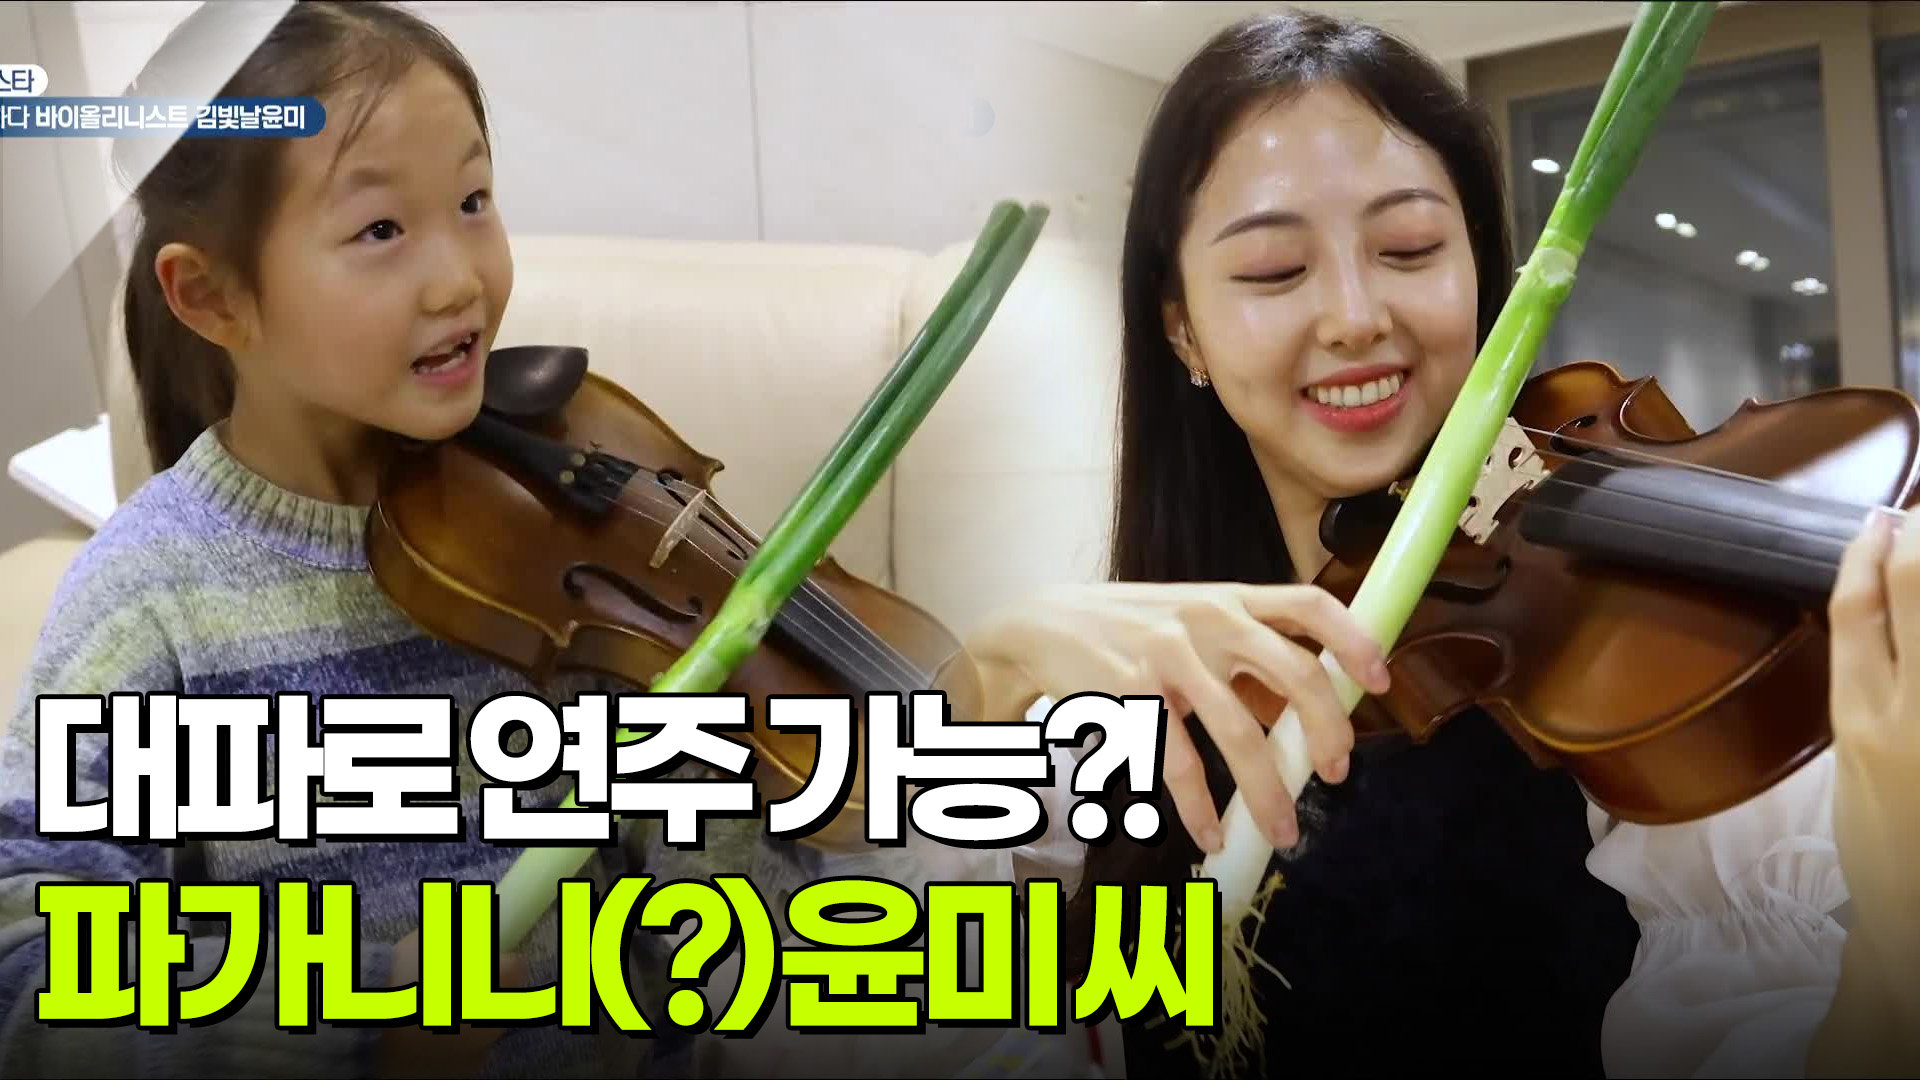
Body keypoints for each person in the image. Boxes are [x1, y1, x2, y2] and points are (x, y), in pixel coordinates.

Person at [0, 3, 1393, 1079]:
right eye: (380, 228)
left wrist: (966, 764)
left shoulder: (552, 499)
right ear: (212, 298)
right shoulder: (152, 597)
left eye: (475, 201)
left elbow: (724, 876)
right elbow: (30, 943)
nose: (462, 275)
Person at [940, 9, 1920, 1079]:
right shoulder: (1128, 691)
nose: (1355, 316)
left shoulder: (1642, 685)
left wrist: (1896, 943)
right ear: (1184, 328)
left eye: (1409, 249)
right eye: (1273, 269)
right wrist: (992, 666)